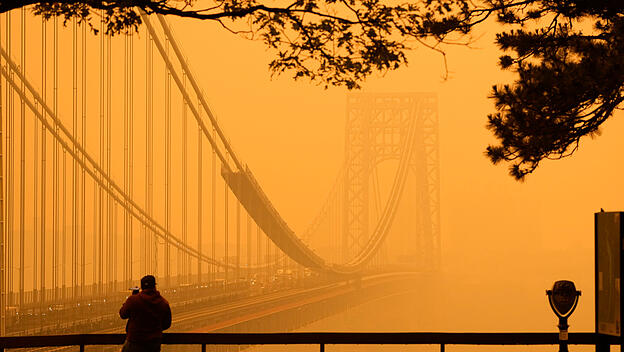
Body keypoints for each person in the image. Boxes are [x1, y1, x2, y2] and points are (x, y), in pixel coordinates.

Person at [119, 275, 172, 352]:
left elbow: (123, 314)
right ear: (154, 286)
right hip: (153, 344)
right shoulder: (163, 303)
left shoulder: (133, 300)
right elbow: (167, 324)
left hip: (134, 342)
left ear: (142, 287)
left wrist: (133, 296)